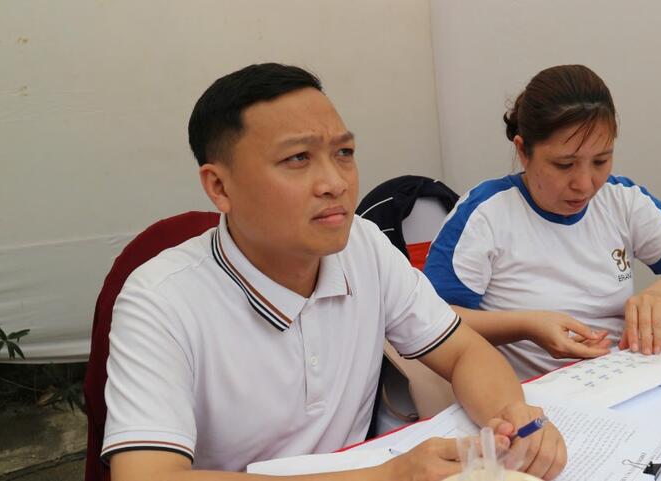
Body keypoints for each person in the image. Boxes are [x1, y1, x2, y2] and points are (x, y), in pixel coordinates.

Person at [102, 63, 566, 481]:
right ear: (220, 186)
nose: (336, 183)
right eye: (298, 158)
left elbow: (462, 351)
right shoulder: (160, 301)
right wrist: (388, 477)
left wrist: (514, 418)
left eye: (344, 152)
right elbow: (146, 476)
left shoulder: (363, 246)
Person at [424, 64, 661, 381]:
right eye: (564, 165)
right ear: (523, 151)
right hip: (526, 394)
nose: (585, 184)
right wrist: (526, 326)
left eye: (601, 161)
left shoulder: (621, 200)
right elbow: (428, 318)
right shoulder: (486, 215)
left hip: (620, 380)